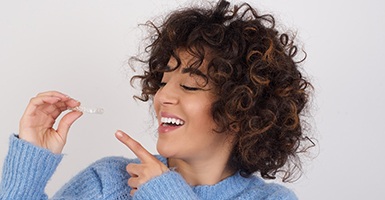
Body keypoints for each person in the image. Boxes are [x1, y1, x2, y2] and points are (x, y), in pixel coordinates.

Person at [0, 0, 313, 199]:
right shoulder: (110, 182)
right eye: (163, 81)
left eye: (190, 85)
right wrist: (31, 162)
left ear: (241, 108)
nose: (163, 95)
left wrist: (164, 193)